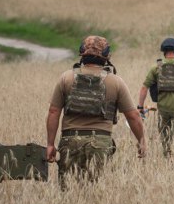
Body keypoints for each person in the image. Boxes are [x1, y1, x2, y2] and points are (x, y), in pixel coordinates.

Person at [47, 36, 145, 189]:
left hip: (69, 141)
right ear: (106, 57)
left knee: (68, 192)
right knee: (96, 191)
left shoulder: (66, 78)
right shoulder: (115, 81)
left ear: (82, 54)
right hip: (100, 143)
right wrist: (141, 141)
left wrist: (50, 144)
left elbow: (54, 111)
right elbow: (133, 116)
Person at [138, 38, 174, 157]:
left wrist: (140, 107)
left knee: (165, 139)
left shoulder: (156, 67)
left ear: (163, 51)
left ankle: (167, 157)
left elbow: (144, 88)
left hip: (163, 110)